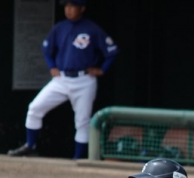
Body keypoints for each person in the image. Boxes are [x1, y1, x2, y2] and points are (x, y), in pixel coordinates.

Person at [7, 0, 118, 160]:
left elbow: (112, 51)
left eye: (72, 6)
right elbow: (46, 49)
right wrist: (52, 66)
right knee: (34, 108)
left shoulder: (92, 28)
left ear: (82, 8)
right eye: (66, 6)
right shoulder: (59, 27)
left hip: (84, 80)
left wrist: (102, 69)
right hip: (62, 79)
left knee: (82, 122)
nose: (68, 9)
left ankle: (77, 158)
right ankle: (30, 146)